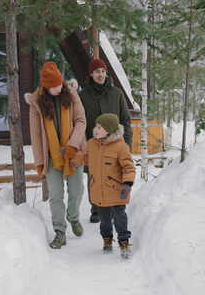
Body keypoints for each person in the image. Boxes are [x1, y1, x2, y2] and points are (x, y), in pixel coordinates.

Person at [25, 61, 86, 249]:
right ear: (45, 86)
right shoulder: (37, 104)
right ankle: (60, 231)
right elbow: (35, 135)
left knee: (76, 190)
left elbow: (81, 120)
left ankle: (73, 217)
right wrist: (40, 161)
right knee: (56, 195)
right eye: (52, 87)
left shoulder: (72, 94)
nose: (57, 89)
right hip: (52, 156)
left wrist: (73, 145)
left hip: (74, 153)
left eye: (59, 84)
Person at [79, 58, 132, 223]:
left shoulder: (116, 94)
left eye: (102, 71)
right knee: (94, 176)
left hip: (115, 144)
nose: (100, 75)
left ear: (106, 73)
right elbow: (79, 120)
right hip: (93, 143)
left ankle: (115, 206)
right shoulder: (83, 95)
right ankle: (95, 208)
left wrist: (127, 144)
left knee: (113, 174)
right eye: (96, 72)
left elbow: (126, 120)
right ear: (91, 74)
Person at [85, 113, 136, 259]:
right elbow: (86, 159)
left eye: (100, 127)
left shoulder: (121, 147)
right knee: (104, 220)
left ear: (109, 129)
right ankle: (107, 239)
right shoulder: (92, 144)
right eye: (96, 126)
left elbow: (129, 168)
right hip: (99, 191)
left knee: (120, 218)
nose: (96, 129)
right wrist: (74, 158)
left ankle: (124, 241)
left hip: (117, 191)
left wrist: (127, 183)